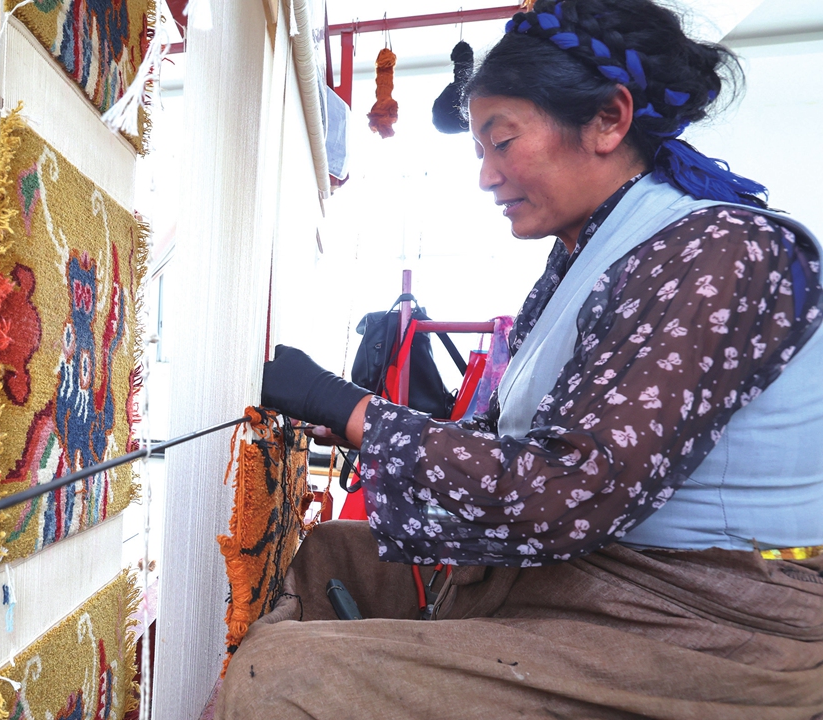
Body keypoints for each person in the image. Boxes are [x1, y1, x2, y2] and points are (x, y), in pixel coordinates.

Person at [222, 0, 823, 717]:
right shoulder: (588, 256)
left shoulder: (720, 253)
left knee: (282, 676)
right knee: (334, 552)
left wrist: (355, 411)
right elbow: (519, 442)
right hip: (604, 577)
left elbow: (574, 489)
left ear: (609, 119)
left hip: (715, 622)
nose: (486, 176)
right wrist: (364, 424)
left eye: (501, 142)